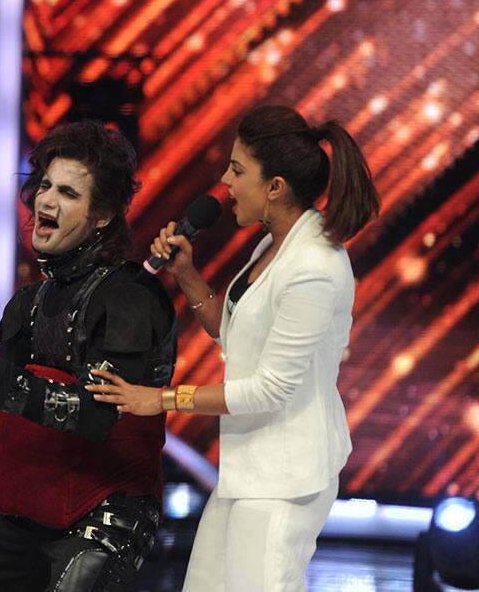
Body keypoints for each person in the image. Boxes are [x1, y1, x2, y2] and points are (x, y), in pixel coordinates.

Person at [86, 105, 381, 591]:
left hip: (286, 480)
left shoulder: (315, 267)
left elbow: (268, 389)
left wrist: (158, 398)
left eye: (237, 170)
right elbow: (233, 333)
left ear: (275, 187)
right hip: (249, 468)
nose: (224, 180)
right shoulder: (274, 244)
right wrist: (185, 273)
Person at [0, 120, 177, 592]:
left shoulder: (130, 297)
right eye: (45, 185)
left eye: (68, 192)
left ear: (103, 214)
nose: (45, 200)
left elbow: (97, 416)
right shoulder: (33, 300)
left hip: (106, 517)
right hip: (32, 515)